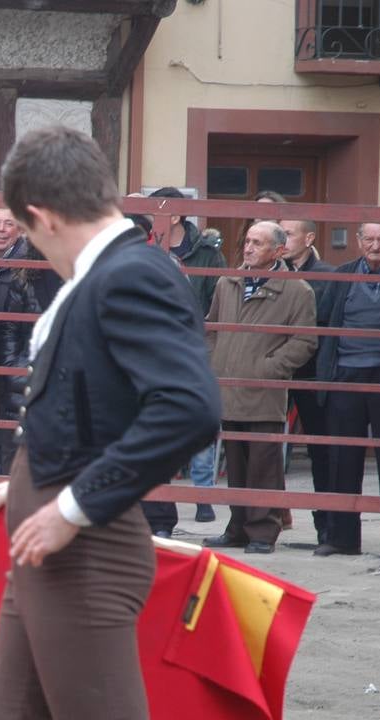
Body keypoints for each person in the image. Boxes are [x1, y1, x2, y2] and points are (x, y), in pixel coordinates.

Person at [0, 126, 218, 720]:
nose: (34, 250)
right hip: (48, 545)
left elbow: (189, 409)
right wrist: (32, 478)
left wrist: (69, 503)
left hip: (82, 557)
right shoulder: (111, 274)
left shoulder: (126, 276)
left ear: (40, 214)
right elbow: (99, 405)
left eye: (26, 235)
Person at [200, 221, 317, 554]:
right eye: (247, 241)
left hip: (264, 390)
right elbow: (212, 328)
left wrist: (270, 368)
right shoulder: (228, 282)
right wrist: (214, 363)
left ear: (278, 251)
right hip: (228, 386)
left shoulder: (297, 290)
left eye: (258, 243)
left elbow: (304, 341)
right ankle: (237, 528)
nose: (248, 248)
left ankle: (264, 532)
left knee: (263, 466)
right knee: (235, 464)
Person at [314, 223, 380, 558]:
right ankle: (342, 538)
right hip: (346, 372)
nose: (375, 245)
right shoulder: (343, 274)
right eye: (368, 239)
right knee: (343, 456)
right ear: (358, 241)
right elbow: (325, 320)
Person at [150, 185, 221, 524]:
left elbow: (217, 299)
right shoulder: (147, 248)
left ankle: (203, 496)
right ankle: (162, 496)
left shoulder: (206, 252)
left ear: (173, 215)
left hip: (196, 346)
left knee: (198, 419)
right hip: (154, 350)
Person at [0, 206, 62, 475]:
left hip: (66, 393)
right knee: (14, 469)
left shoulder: (83, 279)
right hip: (23, 391)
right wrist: (18, 377)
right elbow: (9, 335)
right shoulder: (22, 280)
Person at [281, 218, 337, 544]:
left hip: (312, 372)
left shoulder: (328, 276)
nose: (282, 239)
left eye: (288, 233)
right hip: (274, 370)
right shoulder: (265, 273)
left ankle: (326, 523)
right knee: (261, 448)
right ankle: (261, 520)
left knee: (321, 449)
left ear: (309, 237)